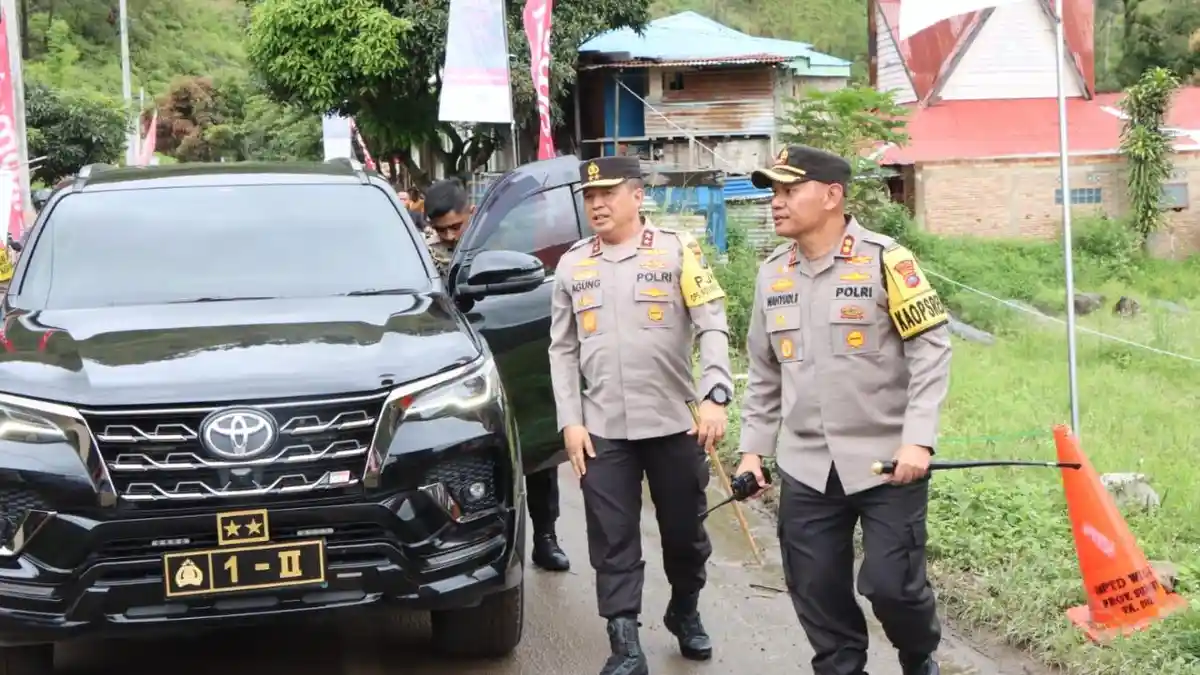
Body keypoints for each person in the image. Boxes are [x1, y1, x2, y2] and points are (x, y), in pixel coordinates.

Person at [735, 145, 952, 675]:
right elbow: (764, 373)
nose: (776, 202)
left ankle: (918, 655)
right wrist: (752, 453)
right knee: (815, 588)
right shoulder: (772, 275)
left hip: (886, 463)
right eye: (774, 192)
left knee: (892, 587)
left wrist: (918, 439)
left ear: (832, 196)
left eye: (790, 190)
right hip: (807, 466)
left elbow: (931, 349)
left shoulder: (886, 261)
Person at [548, 156, 734, 675]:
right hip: (602, 428)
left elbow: (712, 324)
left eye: (607, 193)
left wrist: (715, 395)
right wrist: (570, 420)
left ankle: (684, 609)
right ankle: (625, 643)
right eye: (589, 197)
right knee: (612, 537)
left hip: (674, 422)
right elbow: (561, 349)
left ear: (637, 195)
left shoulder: (677, 250)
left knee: (685, 534)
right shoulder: (572, 265)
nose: (597, 204)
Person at [423, 178, 572, 573]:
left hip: (508, 355)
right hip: (453, 374)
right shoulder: (421, 257)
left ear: (471, 213)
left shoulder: (503, 246)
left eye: (456, 227)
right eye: (441, 230)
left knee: (536, 451)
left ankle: (546, 537)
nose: (449, 237)